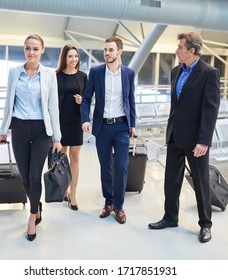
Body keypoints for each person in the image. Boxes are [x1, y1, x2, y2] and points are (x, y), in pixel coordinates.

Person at [148, 32, 220, 243]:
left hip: (196, 140)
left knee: (200, 182)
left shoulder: (209, 73)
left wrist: (204, 141)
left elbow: (210, 110)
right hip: (175, 136)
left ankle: (205, 225)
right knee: (171, 180)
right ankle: (170, 217)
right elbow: (176, 105)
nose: (177, 51)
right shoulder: (175, 71)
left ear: (192, 50)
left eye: (180, 47)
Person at [0, 34, 62, 242]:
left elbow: (53, 107)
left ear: (42, 50)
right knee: (24, 177)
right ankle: (38, 205)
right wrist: (3, 130)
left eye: (35, 48)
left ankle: (32, 216)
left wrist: (57, 138)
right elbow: (9, 103)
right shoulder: (14, 73)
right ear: (24, 50)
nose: (31, 52)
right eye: (28, 48)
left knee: (35, 176)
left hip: (41, 129)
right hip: (18, 127)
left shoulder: (49, 74)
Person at [81, 36, 136, 224]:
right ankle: (109, 202)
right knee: (106, 167)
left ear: (119, 52)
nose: (107, 53)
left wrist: (133, 125)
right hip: (102, 127)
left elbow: (130, 100)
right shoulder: (96, 72)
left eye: (111, 50)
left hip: (121, 126)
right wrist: (85, 119)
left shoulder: (128, 73)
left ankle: (119, 206)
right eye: (105, 50)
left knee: (121, 166)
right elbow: (86, 98)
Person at [56, 44, 88, 211]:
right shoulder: (56, 76)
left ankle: (73, 194)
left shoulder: (83, 76)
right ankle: (63, 188)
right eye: (70, 56)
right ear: (64, 58)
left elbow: (89, 100)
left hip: (76, 121)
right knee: (62, 156)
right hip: (60, 122)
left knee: (74, 156)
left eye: (76, 56)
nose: (74, 59)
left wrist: (82, 101)